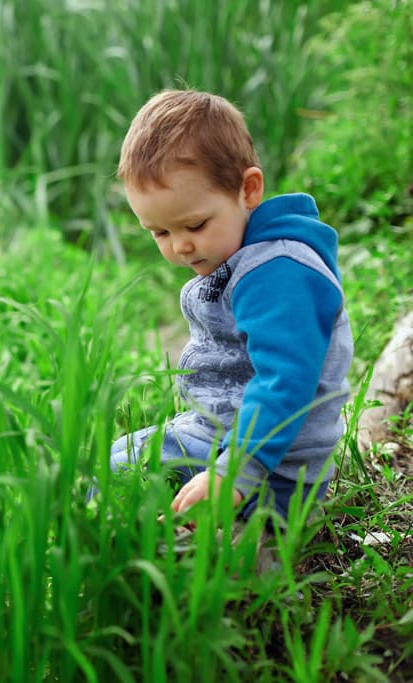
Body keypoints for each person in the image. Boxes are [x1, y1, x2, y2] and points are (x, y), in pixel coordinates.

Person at [110, 89, 353, 522]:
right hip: (223, 438)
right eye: (159, 233)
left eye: (195, 224)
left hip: (273, 474)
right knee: (118, 457)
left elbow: (286, 383)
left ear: (248, 189)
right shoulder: (243, 258)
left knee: (116, 471)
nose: (181, 246)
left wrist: (235, 472)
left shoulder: (278, 273)